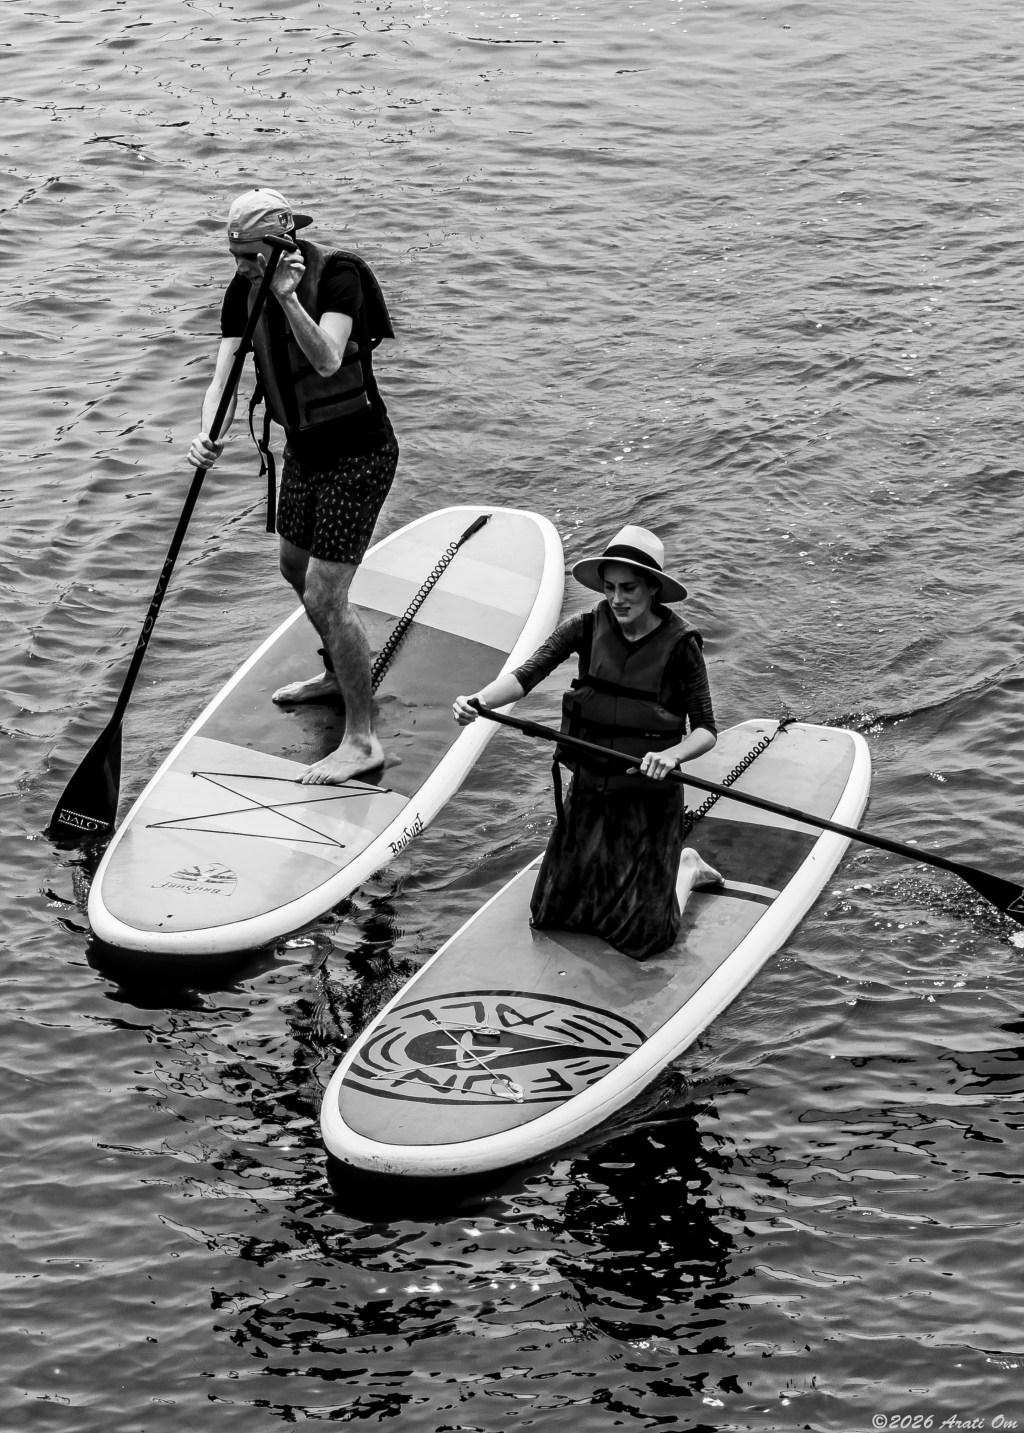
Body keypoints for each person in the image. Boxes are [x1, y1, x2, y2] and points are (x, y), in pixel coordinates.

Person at [187, 187, 399, 784]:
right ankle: (337, 672)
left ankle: (362, 740)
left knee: (328, 595)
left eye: (251, 256)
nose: (241, 268)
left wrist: (285, 298)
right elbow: (224, 375)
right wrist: (208, 434)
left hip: (359, 454)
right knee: (293, 569)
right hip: (303, 453)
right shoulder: (242, 290)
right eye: (235, 256)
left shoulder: (340, 277)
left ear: (282, 245)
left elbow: (328, 359)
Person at [454, 524, 722, 960]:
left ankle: (685, 869)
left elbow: (707, 729)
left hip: (648, 799)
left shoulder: (680, 646)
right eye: (610, 587)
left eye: (629, 588)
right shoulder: (585, 626)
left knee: (646, 939)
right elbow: (527, 675)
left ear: (653, 588)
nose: (617, 599)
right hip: (589, 791)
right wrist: (479, 700)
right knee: (551, 915)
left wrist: (671, 756)